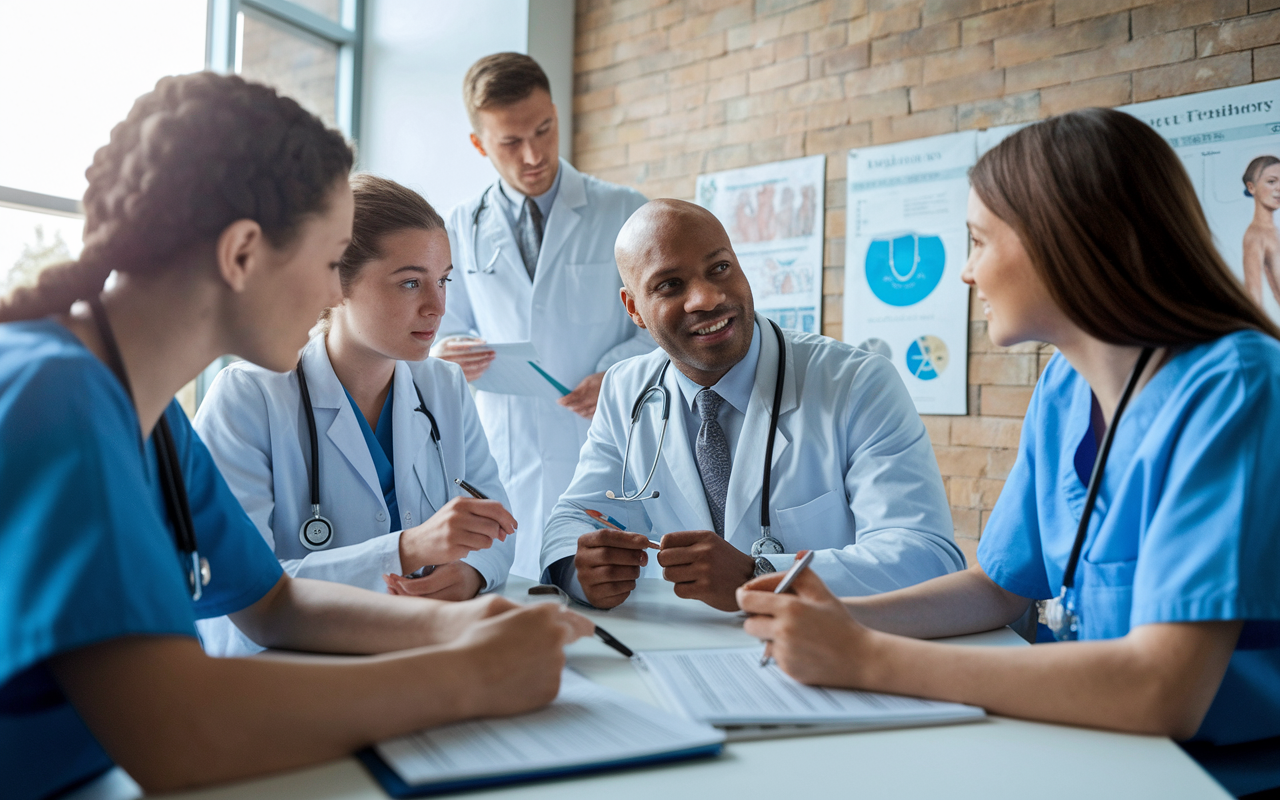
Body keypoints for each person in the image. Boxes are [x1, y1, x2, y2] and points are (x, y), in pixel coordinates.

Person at [0, 72, 590, 800]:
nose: (328, 293)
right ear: (242, 253)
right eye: (327, 260)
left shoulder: (153, 420)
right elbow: (175, 732)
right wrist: (472, 675)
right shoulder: (54, 396)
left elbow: (276, 604)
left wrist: (464, 628)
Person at [737, 109, 1280, 798]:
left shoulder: (1239, 387)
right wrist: (837, 622)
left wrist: (868, 658)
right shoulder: (1063, 384)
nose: (965, 273)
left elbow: (1162, 690)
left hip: (1213, 775)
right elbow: (997, 588)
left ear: (1068, 242)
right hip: (1086, 747)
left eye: (977, 241)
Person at [540, 199, 964, 612]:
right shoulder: (625, 389)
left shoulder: (856, 383)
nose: (706, 298)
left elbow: (927, 557)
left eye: (719, 268)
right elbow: (577, 515)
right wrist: (580, 570)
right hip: (686, 653)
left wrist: (757, 574)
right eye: (670, 285)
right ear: (634, 308)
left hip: (827, 655)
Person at [194, 175, 516, 656]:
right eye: (410, 282)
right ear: (334, 283)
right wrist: (407, 550)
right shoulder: (249, 397)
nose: (437, 306)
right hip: (294, 675)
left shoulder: (444, 386)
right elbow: (241, 594)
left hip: (425, 651)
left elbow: (498, 527)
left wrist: (468, 574)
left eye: (443, 280)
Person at [434, 52, 655, 579]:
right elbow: (441, 327)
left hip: (605, 442)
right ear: (479, 144)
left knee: (609, 590)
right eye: (510, 142)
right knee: (516, 587)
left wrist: (618, 375)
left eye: (544, 130)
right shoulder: (458, 226)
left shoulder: (624, 210)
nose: (534, 154)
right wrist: (448, 355)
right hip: (506, 453)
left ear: (556, 114)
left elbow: (661, 324)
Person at [1242, 155, 1280, 309]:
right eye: (1271, 181)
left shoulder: (1273, 231)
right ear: (1251, 187)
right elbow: (1254, 297)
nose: (1279, 188)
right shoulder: (1255, 236)